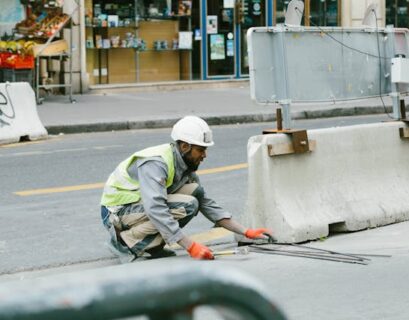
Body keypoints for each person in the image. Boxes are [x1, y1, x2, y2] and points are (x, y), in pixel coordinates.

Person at [100, 115, 272, 261]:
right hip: (117, 213)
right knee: (187, 205)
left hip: (136, 208)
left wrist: (246, 231)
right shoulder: (156, 163)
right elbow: (156, 208)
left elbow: (206, 203)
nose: (204, 155)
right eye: (200, 150)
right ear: (184, 146)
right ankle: (126, 243)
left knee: (195, 193)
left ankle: (152, 246)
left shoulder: (184, 165)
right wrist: (190, 247)